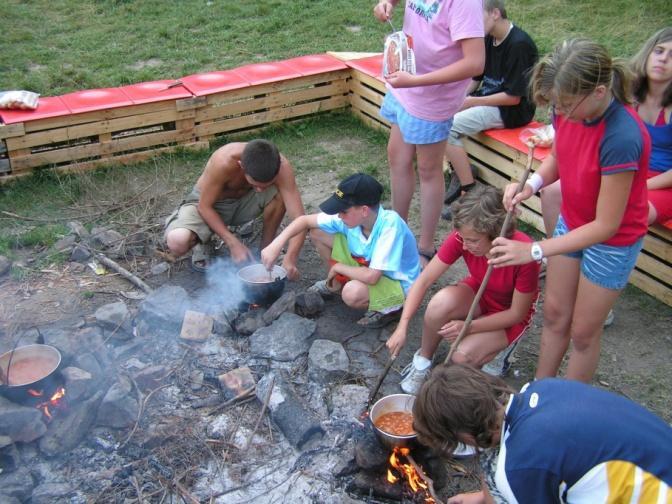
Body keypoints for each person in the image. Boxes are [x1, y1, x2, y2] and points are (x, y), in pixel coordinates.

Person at [490, 39, 650, 383]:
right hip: (573, 222)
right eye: (556, 105)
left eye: (565, 105)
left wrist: (533, 250)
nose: (559, 112)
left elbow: (607, 225)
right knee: (555, 314)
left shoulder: (621, 136)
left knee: (582, 333)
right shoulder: (568, 108)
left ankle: (568, 405)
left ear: (598, 92)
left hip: (612, 242)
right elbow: (559, 159)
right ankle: (542, 391)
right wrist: (529, 186)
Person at [413, 364, 672, 504]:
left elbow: (525, 470)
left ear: (463, 435)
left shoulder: (519, 466)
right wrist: (484, 497)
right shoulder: (542, 388)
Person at [386, 185, 539, 394]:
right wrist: (402, 326)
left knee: (461, 357)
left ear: (495, 234)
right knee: (439, 305)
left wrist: (468, 327)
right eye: (463, 239)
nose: (465, 246)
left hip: (509, 312)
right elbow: (423, 281)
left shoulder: (524, 253)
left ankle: (500, 355)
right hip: (480, 292)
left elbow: (517, 313)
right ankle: (423, 362)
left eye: (474, 241)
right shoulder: (463, 237)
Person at [373, 0, 485, 266]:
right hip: (404, 84)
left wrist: (417, 81)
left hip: (431, 97)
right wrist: (386, 3)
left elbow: (475, 63)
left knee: (428, 169)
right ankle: (397, 231)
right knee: (397, 157)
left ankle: (425, 246)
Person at [261, 173, 420, 327]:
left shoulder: (390, 225)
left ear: (364, 210)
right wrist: (275, 245)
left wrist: (338, 267)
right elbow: (304, 221)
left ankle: (391, 309)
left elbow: (372, 277)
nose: (339, 215)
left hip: (396, 283)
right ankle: (336, 284)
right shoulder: (354, 219)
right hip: (368, 265)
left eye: (343, 211)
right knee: (318, 232)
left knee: (352, 293)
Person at [164, 140, 305, 279]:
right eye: (255, 184)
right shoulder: (223, 161)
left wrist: (290, 259)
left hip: (245, 203)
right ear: (241, 165)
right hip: (210, 205)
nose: (260, 189)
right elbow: (204, 207)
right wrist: (232, 242)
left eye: (265, 185)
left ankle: (266, 251)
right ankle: (203, 242)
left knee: (279, 194)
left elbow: (300, 220)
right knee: (178, 241)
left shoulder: (281, 167)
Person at [444, 0, 538, 205]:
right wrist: (460, 98)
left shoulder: (519, 45)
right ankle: (460, 170)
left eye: (478, 17)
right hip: (487, 101)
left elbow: (514, 98)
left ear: (495, 13)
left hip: (511, 111)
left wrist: (471, 103)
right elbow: (477, 77)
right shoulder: (488, 38)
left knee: (447, 128)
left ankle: (468, 188)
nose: (473, 23)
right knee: (441, 115)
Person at [632, 27, 672, 225]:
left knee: (629, 212)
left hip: (664, 183)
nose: (664, 59)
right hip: (630, 171)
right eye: (659, 51)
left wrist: (642, 185)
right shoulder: (629, 93)